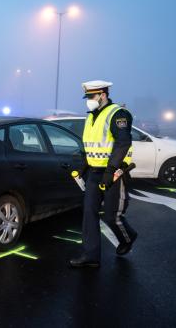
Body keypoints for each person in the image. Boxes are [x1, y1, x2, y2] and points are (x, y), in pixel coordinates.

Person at [70, 80, 138, 268]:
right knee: (89, 213)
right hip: (94, 173)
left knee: (111, 216)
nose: (89, 100)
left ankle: (127, 237)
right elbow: (89, 146)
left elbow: (123, 144)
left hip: (113, 173)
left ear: (102, 95)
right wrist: (81, 167)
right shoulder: (91, 117)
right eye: (88, 97)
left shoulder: (117, 114)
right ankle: (90, 256)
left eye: (92, 96)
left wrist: (110, 172)